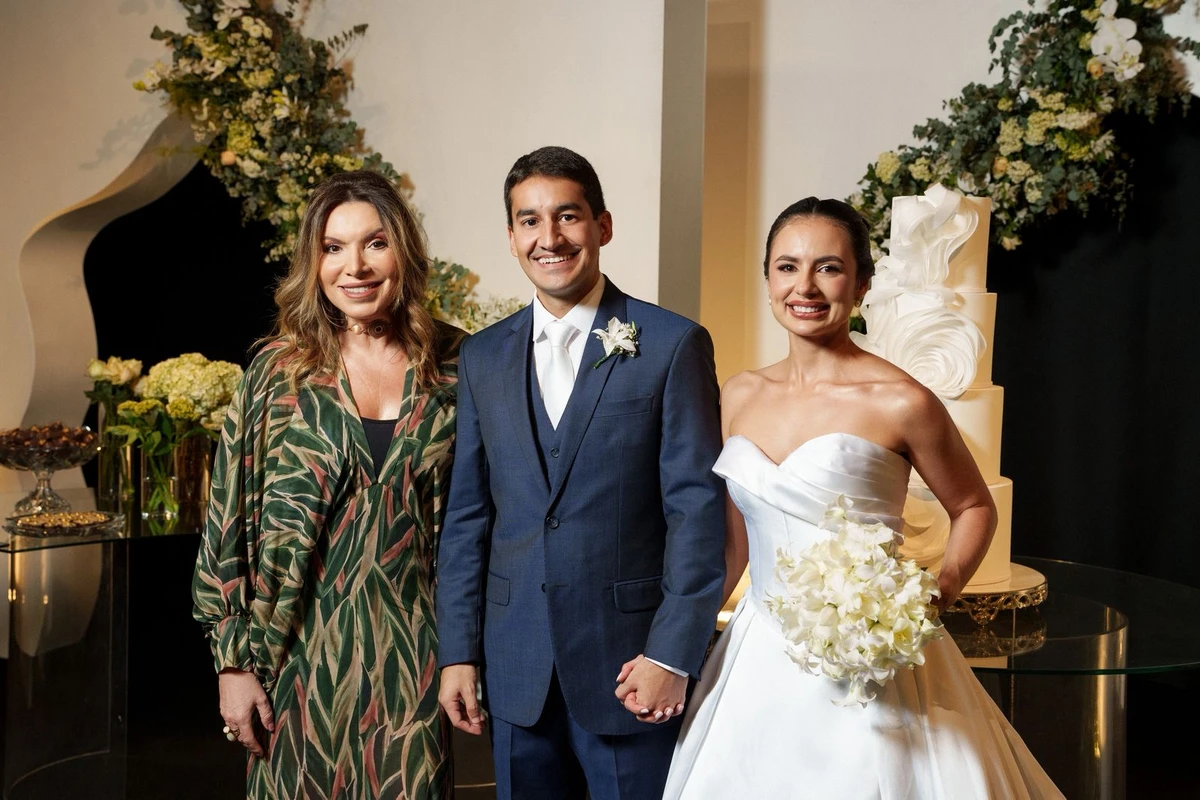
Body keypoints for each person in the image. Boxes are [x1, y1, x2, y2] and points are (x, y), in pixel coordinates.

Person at [662, 198, 1063, 798]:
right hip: (758, 654)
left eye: (828, 267)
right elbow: (733, 546)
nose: (806, 286)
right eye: (787, 267)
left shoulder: (903, 401)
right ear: (768, 279)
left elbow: (975, 506)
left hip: (872, 654)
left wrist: (938, 592)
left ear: (861, 284)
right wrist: (673, 649)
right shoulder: (738, 394)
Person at [435, 146, 726, 799]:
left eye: (567, 217)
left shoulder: (671, 345)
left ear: (603, 226)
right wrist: (457, 651)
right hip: (516, 669)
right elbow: (467, 519)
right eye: (530, 221)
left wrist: (672, 653)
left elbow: (697, 514)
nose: (550, 237)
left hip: (631, 665)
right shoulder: (481, 358)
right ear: (511, 238)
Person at [192, 170, 465, 798]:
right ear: (313, 264)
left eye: (374, 243)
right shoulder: (278, 372)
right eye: (333, 248)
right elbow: (225, 524)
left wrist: (464, 655)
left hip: (414, 665)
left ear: (404, 251)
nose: (355, 267)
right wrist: (233, 663)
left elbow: (480, 527)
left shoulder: (458, 367)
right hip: (293, 662)